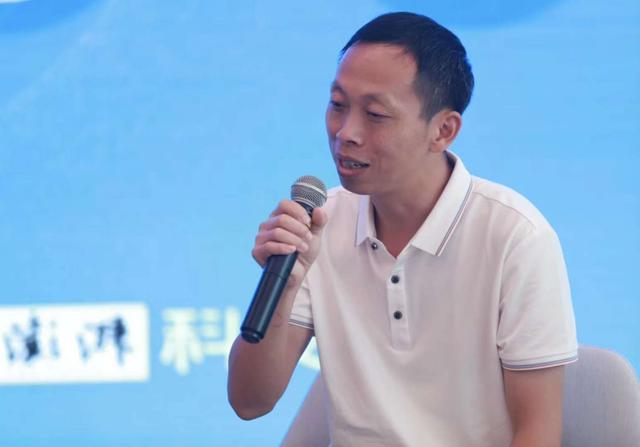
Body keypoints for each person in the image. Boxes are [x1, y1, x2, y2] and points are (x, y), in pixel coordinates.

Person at [228, 12, 578, 447]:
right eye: (337, 105)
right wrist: (283, 285)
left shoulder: (515, 237)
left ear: (443, 130)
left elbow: (538, 432)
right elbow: (249, 402)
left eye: (375, 114)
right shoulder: (319, 223)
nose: (346, 133)